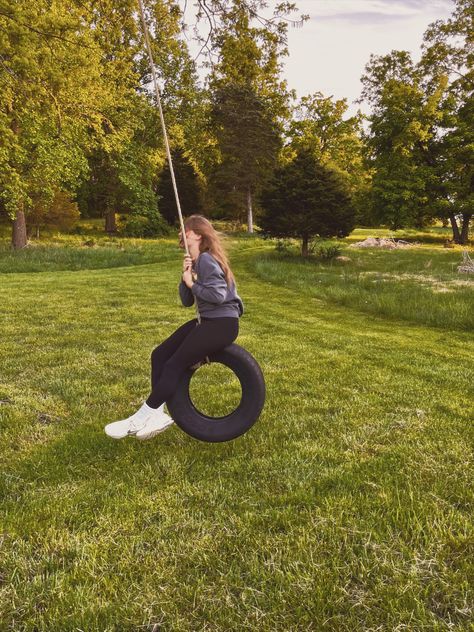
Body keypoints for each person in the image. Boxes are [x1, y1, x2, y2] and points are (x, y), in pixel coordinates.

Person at [104, 214, 244, 441]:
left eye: (185, 230)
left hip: (222, 324)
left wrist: (192, 283)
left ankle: (139, 418)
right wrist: (185, 278)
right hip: (208, 321)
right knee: (159, 355)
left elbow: (217, 296)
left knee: (174, 364)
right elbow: (187, 301)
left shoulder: (208, 260)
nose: (180, 233)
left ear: (197, 235)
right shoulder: (198, 261)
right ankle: (158, 415)